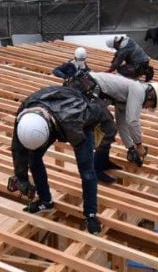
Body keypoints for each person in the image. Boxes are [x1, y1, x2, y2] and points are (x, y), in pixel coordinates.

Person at [9, 85, 117, 235]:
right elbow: (18, 149)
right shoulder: (24, 117)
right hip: (48, 112)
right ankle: (45, 201)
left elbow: (103, 115)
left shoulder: (78, 117)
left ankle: (90, 215)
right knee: (34, 159)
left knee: (87, 171)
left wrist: (104, 144)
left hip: (77, 120)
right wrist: (22, 178)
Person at [90, 73, 158, 168]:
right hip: (89, 87)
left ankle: (102, 163)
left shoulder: (126, 97)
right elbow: (132, 121)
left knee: (109, 127)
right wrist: (139, 145)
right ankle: (97, 167)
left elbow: (121, 124)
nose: (146, 108)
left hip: (92, 89)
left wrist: (131, 148)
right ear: (151, 96)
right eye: (150, 105)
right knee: (106, 127)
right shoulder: (139, 91)